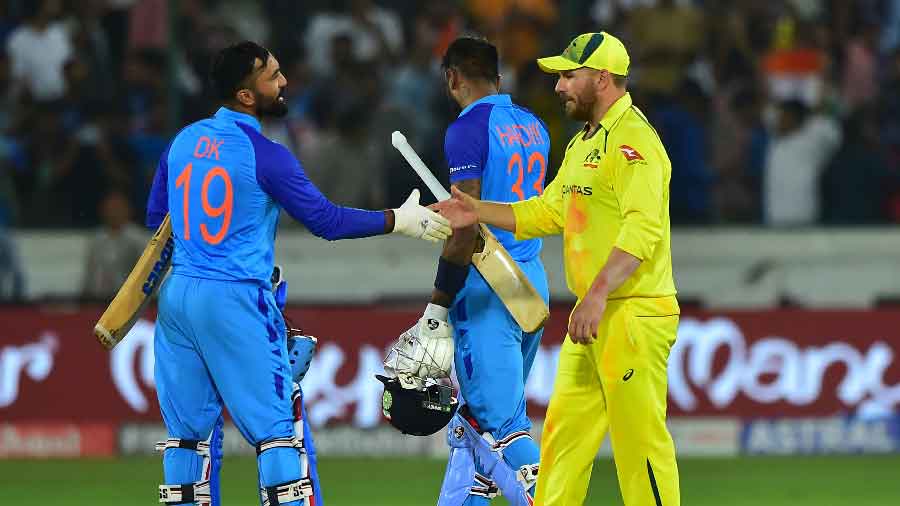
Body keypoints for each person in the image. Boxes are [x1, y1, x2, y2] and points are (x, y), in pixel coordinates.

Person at [145, 41, 451, 506]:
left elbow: (158, 224)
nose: (284, 81)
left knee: (186, 440)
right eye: (272, 76)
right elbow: (326, 221)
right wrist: (399, 220)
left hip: (177, 297)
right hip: (236, 300)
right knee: (277, 435)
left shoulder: (182, 142)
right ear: (246, 95)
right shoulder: (267, 155)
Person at [432, 32, 681, 506]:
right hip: (594, 318)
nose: (559, 87)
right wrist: (475, 210)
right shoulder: (584, 143)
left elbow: (642, 231)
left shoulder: (633, 142)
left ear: (601, 78)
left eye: (569, 76)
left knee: (640, 447)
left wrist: (597, 293)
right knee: (562, 447)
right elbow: (545, 212)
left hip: (633, 315)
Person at [399, 37, 550, 506]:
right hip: (529, 279)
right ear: (498, 78)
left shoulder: (466, 129)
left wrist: (438, 305)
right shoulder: (534, 126)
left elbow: (466, 225)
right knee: (476, 423)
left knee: (501, 426)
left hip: (488, 287)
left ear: (452, 77)